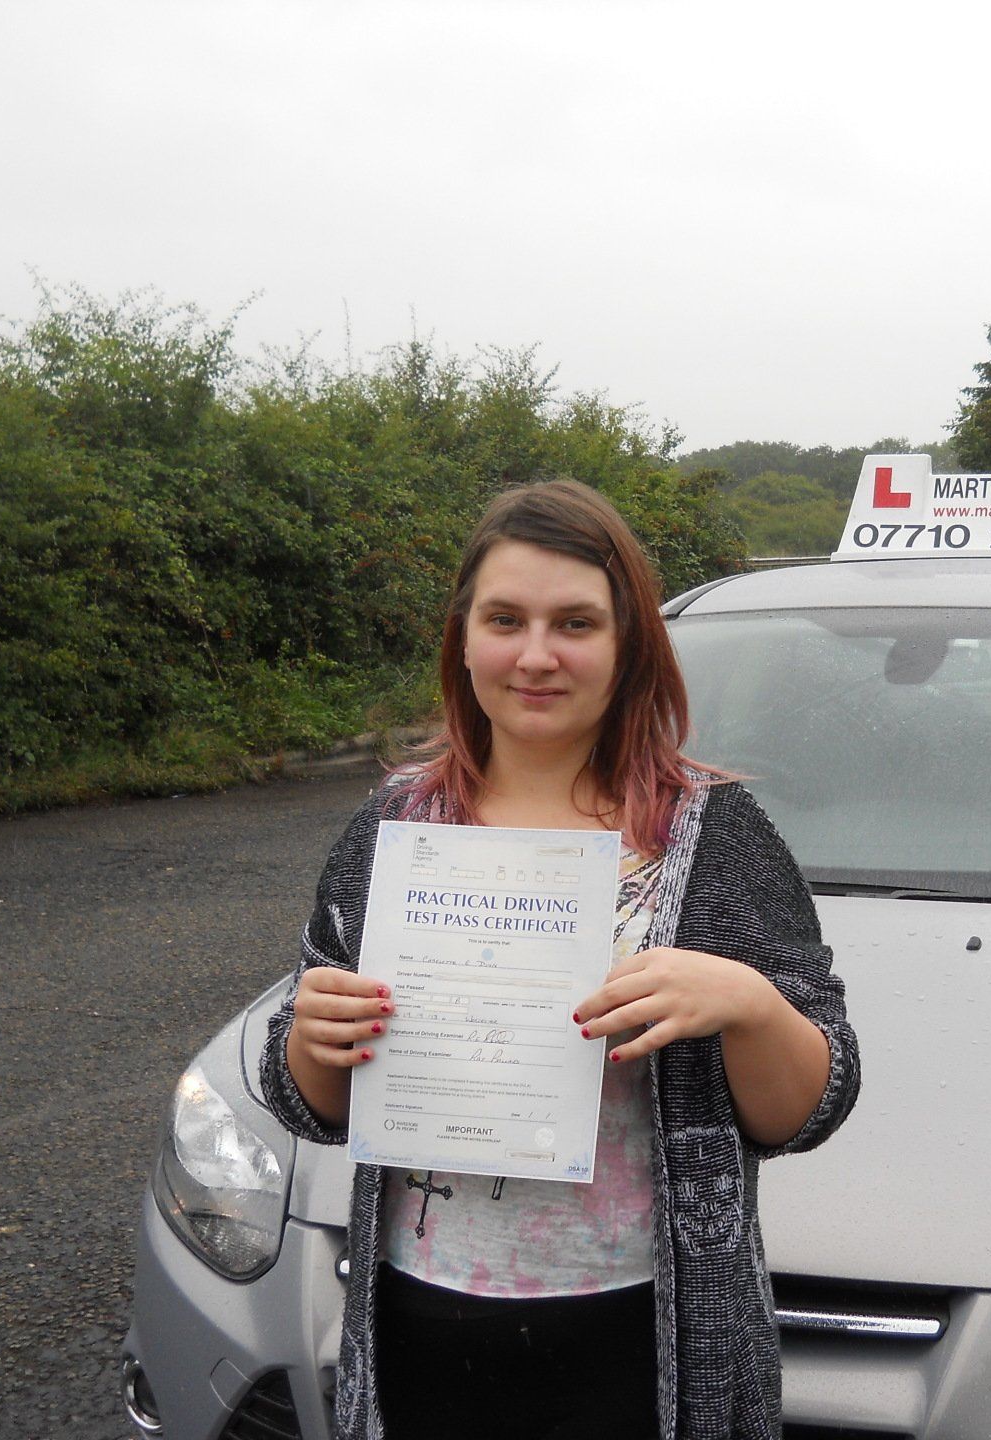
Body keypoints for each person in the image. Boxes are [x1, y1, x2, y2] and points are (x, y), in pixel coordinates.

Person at [258, 479, 860, 1440]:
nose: (536, 654)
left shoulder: (713, 839)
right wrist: (311, 1044)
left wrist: (746, 1002)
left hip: (643, 1334)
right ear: (463, 637)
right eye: (506, 619)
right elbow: (310, 1104)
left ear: (627, 649)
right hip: (419, 1322)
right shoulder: (391, 831)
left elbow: (809, 1108)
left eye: (575, 623)